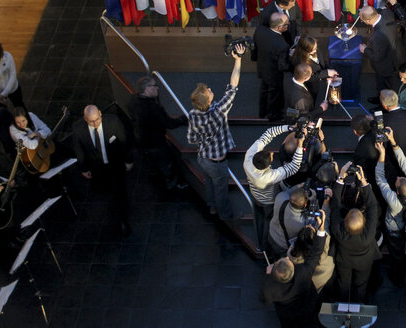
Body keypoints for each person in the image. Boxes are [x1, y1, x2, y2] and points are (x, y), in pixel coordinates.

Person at [187, 44, 245, 221]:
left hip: (203, 158)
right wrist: (238, 60)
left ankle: (211, 207)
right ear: (208, 99)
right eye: (209, 91)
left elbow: (191, 139)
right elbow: (233, 86)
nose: (211, 89)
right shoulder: (219, 112)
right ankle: (226, 216)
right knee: (221, 190)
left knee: (209, 184)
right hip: (217, 162)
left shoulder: (193, 114)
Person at [72, 105, 133, 236]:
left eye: (97, 119)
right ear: (85, 119)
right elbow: (79, 149)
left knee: (120, 192)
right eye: (91, 121)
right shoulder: (78, 129)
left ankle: (123, 219)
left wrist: (128, 160)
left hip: (115, 165)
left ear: (100, 113)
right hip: (97, 168)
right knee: (106, 190)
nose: (95, 123)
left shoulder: (113, 122)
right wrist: (84, 168)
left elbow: (124, 141)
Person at [261, 209, 327, 328]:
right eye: (287, 260)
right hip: (308, 312)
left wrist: (269, 276)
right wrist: (321, 228)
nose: (287, 258)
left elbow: (264, 299)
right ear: (293, 270)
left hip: (287, 318)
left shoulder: (269, 287)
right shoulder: (303, 273)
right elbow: (316, 253)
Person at [243, 124, 304, 252]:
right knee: (268, 221)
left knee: (258, 215)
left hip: (255, 195)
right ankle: (264, 247)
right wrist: (300, 145)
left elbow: (268, 133)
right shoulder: (270, 176)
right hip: (269, 202)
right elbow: (294, 166)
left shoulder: (248, 158)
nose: (271, 153)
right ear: (267, 166)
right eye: (270, 156)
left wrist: (289, 127)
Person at [375, 129, 406, 286]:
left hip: (395, 230)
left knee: (397, 255)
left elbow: (380, 179)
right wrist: (394, 143)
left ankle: (398, 278)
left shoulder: (394, 202)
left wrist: (382, 155)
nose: (398, 177)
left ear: (397, 192)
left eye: (398, 180)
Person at [331, 161, 381, 303]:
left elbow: (335, 205)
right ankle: (359, 303)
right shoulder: (369, 233)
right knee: (361, 284)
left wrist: (341, 177)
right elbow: (372, 206)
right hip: (364, 262)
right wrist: (363, 181)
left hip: (344, 260)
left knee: (343, 283)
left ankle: (342, 302)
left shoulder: (338, 230)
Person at [128, 76, 188, 190]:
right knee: (167, 163)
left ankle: (154, 174)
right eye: (155, 85)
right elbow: (169, 124)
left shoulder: (132, 100)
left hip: (140, 139)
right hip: (155, 142)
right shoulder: (154, 108)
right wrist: (183, 119)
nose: (158, 88)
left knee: (151, 160)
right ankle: (172, 184)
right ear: (147, 89)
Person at [269, 186, 327, 258]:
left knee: (272, 253)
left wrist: (300, 186)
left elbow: (288, 192)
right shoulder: (302, 223)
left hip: (272, 234)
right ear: (305, 204)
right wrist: (313, 200)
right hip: (283, 246)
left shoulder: (280, 198)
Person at [253, 12, 291, 121]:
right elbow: (283, 66)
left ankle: (262, 113)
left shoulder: (260, 30)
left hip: (263, 67)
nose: (288, 25)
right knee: (274, 95)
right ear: (280, 27)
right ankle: (274, 116)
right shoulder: (283, 45)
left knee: (264, 90)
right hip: (274, 74)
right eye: (287, 24)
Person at [358, 5, 400, 102]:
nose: (362, 22)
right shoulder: (387, 13)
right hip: (392, 55)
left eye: (362, 20)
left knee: (384, 85)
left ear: (368, 21)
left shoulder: (378, 36)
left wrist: (365, 49)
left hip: (384, 65)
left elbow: (377, 57)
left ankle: (383, 105)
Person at [288, 223, 335, 294]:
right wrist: (318, 231)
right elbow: (324, 240)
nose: (310, 225)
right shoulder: (322, 253)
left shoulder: (292, 255)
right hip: (323, 284)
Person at [289, 35, 336, 102]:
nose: (315, 51)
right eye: (312, 50)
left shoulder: (315, 49)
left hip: (321, 83)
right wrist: (326, 73)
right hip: (311, 87)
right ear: (304, 50)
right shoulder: (298, 61)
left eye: (315, 48)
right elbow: (307, 77)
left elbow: (322, 62)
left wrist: (328, 72)